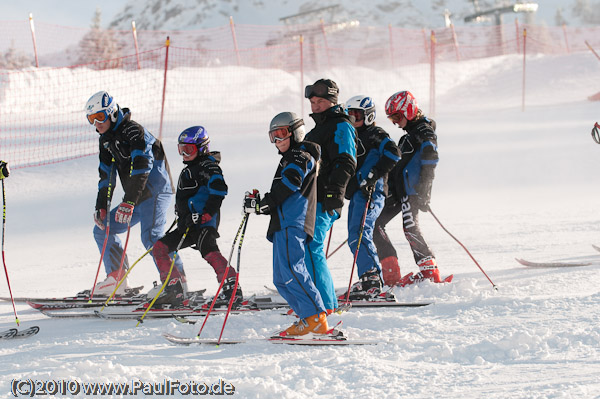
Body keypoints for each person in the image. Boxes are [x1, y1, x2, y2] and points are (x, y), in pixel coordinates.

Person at [85, 91, 183, 296]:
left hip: (155, 191)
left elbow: (142, 166)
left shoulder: (133, 131)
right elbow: (106, 176)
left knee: (151, 236)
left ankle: (176, 282)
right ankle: (117, 279)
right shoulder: (106, 140)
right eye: (91, 119)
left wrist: (128, 202)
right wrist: (101, 206)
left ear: (112, 113)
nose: (96, 124)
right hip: (135, 196)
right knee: (103, 229)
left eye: (100, 117)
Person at [244, 112, 329, 336]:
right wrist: (260, 204)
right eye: (273, 136)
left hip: (294, 221)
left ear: (296, 132)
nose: (277, 140)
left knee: (294, 270)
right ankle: (308, 318)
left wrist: (266, 203)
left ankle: (316, 317)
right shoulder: (290, 157)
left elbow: (291, 182)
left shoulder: (301, 155)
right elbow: (280, 193)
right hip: (283, 222)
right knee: (281, 278)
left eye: (281, 134)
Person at [151, 126, 241, 308]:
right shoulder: (192, 167)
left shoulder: (208, 166)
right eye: (181, 149)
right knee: (160, 248)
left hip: (202, 224)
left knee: (209, 252)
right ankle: (174, 290)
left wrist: (205, 214)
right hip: (187, 225)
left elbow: (219, 189)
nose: (184, 153)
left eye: (189, 149)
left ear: (202, 148)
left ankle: (232, 290)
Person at [373, 91, 444, 287]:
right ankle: (391, 274)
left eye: (397, 116)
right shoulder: (409, 137)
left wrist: (425, 188)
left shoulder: (423, 130)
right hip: (398, 191)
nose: (395, 122)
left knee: (410, 228)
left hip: (412, 191)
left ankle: (430, 271)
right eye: (391, 118)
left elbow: (431, 156)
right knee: (375, 224)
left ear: (409, 110)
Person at [303, 79, 357, 312]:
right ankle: (321, 300)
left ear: (332, 102)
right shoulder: (319, 128)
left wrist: (336, 192)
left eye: (321, 102)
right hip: (312, 198)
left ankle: (324, 305)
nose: (315, 106)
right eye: (313, 102)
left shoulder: (340, 125)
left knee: (313, 246)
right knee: (307, 247)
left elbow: (346, 160)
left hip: (326, 198)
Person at [341, 95, 400, 300]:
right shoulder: (351, 137)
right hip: (358, 192)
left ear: (368, 116)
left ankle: (372, 280)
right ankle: (368, 277)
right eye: (348, 116)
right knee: (353, 236)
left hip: (372, 192)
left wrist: (373, 175)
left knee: (361, 232)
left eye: (356, 116)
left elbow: (394, 153)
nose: (352, 120)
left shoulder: (375, 134)